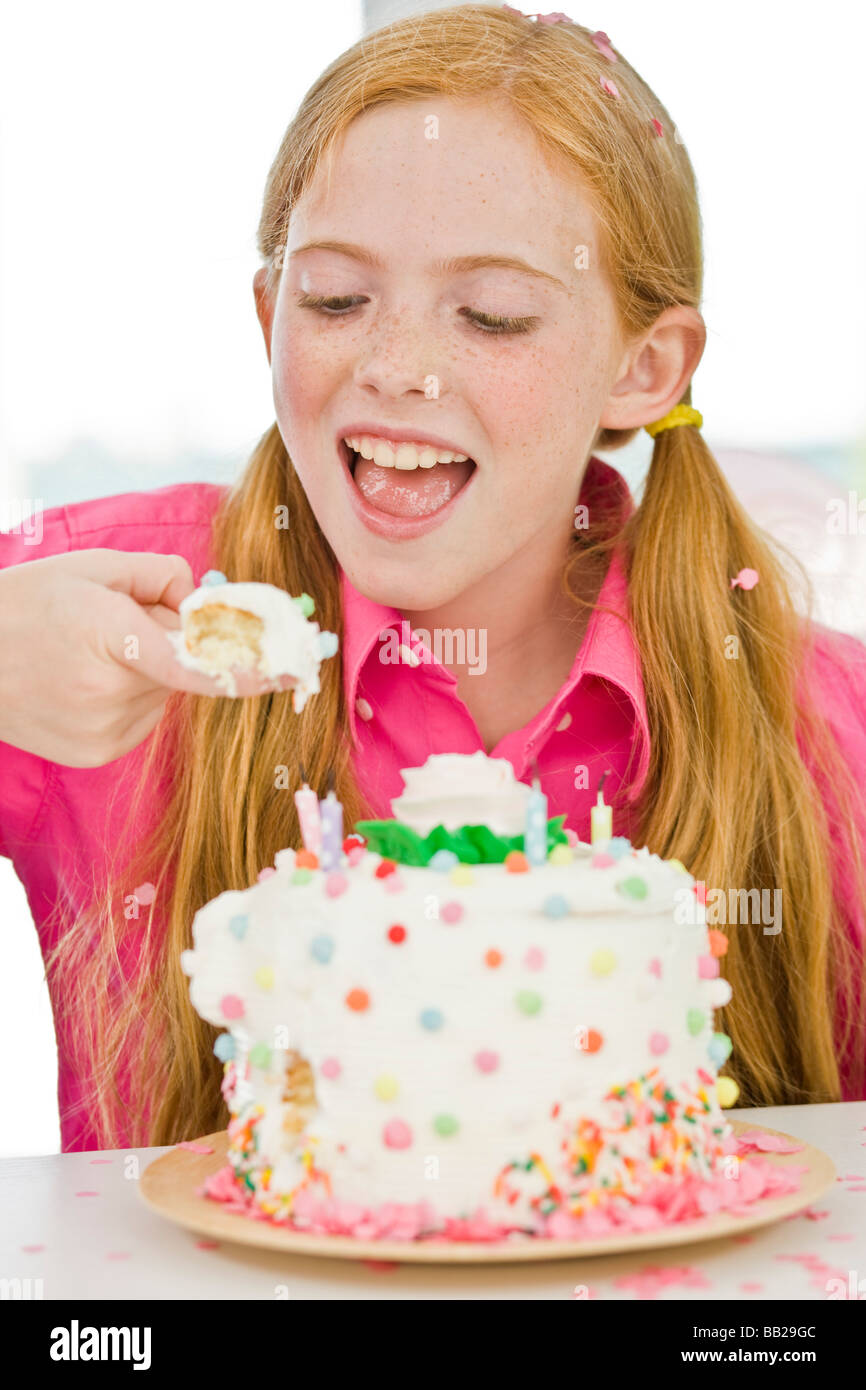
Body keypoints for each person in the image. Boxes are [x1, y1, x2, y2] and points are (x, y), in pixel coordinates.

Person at [1, 4, 864, 1153]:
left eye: (493, 315)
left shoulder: (826, 726)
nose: (396, 366)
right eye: (335, 300)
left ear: (642, 367)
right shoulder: (106, 603)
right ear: (268, 314)